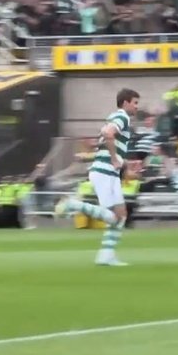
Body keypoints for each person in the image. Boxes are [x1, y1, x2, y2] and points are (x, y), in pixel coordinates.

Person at [55, 88, 141, 266]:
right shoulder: (122, 117)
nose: (136, 107)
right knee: (113, 217)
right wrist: (115, 159)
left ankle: (106, 256)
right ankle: (73, 204)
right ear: (125, 103)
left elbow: (106, 135)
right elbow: (108, 133)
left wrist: (121, 164)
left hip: (108, 172)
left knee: (121, 215)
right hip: (105, 172)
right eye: (135, 103)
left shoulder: (114, 117)